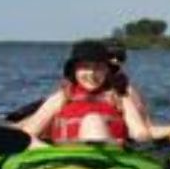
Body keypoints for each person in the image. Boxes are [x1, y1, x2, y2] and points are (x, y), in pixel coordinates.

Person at [19, 40, 150, 144]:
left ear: (107, 71)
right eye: (85, 67)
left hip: (111, 158)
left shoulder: (120, 98)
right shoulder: (61, 97)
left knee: (93, 121)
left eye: (98, 68)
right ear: (74, 71)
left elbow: (140, 133)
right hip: (62, 158)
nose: (91, 74)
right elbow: (27, 134)